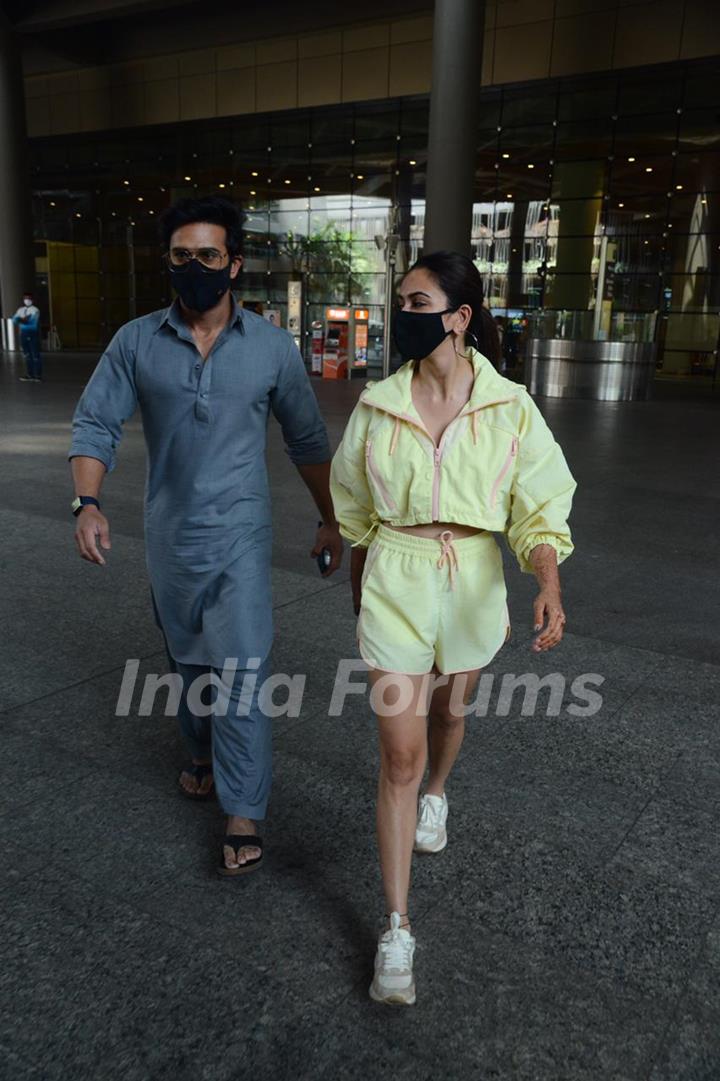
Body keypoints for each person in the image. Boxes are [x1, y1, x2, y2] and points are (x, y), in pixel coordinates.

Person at [69, 196, 343, 876]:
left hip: (242, 538)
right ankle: (198, 749)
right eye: (182, 256)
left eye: (209, 256)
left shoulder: (273, 348)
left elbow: (307, 440)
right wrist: (87, 500)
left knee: (243, 671)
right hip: (171, 538)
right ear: (169, 262)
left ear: (236, 264)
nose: (195, 267)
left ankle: (242, 807)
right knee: (191, 666)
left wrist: (331, 516)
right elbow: (95, 423)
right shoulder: (136, 341)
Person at [330, 250, 576, 1005]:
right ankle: (397, 927)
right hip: (398, 576)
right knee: (395, 754)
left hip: (471, 574)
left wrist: (548, 582)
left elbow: (536, 510)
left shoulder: (511, 408)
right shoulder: (378, 405)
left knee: (451, 710)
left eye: (418, 300)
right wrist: (361, 583)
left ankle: (442, 788)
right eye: (400, 299)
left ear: (459, 317)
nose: (404, 312)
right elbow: (354, 508)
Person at [12, 292, 42, 382]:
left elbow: (32, 322)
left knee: (35, 355)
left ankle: (37, 375)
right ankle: (30, 374)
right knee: (27, 355)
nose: (27, 300)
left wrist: (22, 319)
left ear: (32, 300)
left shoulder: (35, 310)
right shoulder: (20, 309)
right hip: (23, 335)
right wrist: (24, 319)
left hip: (33, 334)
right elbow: (14, 320)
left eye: (29, 298)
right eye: (25, 298)